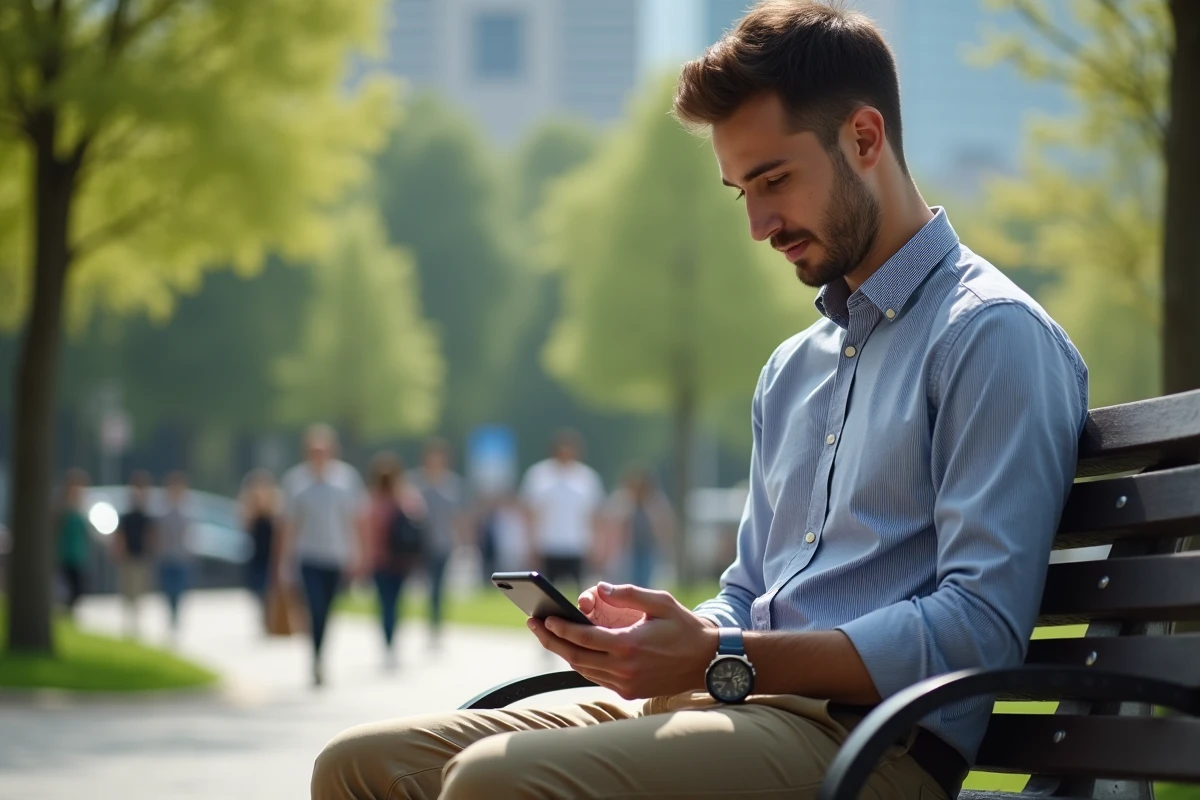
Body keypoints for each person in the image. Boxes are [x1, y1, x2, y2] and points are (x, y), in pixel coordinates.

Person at [311, 4, 1089, 798]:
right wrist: (668, 635)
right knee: (358, 765)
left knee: (490, 782)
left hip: (870, 746)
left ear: (864, 138)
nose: (757, 224)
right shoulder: (794, 369)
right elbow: (749, 594)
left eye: (774, 180)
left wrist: (724, 656)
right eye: (740, 191)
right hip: (729, 705)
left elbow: (979, 627)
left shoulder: (990, 337)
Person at [280, 424, 367, 687]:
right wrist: (284, 563)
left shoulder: (346, 479)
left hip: (336, 556)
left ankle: (320, 651)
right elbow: (289, 525)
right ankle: (315, 656)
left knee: (327, 610)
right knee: (314, 606)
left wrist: (359, 555)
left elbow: (355, 520)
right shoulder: (296, 482)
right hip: (308, 556)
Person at [517, 429, 604, 593]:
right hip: (548, 544)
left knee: (582, 593)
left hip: (577, 544)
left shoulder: (587, 477)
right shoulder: (539, 475)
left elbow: (594, 514)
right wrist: (530, 544)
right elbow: (530, 513)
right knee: (547, 592)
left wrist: (597, 544)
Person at [366, 452, 427, 669]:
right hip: (387, 560)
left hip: (394, 560)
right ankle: (389, 641)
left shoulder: (395, 497)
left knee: (389, 604)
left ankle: (390, 641)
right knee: (389, 604)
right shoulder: (392, 497)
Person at [405, 438, 466, 648]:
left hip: (443, 543)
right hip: (418, 544)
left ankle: (435, 626)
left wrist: (462, 541)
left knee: (438, 587)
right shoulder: (414, 482)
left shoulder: (452, 484)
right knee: (420, 586)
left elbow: (458, 516)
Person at [604, 466, 676, 588]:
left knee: (645, 579)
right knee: (626, 578)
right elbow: (613, 524)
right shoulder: (624, 501)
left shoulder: (654, 502)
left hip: (648, 548)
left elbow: (664, 525)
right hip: (628, 550)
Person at [113, 470, 157, 639]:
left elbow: (151, 537)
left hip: (141, 558)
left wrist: (151, 553)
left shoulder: (147, 516)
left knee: (139, 593)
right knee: (127, 592)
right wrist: (119, 553)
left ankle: (136, 624)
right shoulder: (127, 516)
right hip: (129, 557)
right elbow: (120, 536)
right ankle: (128, 625)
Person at [241, 468, 283, 632]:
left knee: (269, 590)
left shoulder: (276, 508)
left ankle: (269, 619)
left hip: (272, 556)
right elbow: (245, 525)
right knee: (258, 589)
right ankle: (266, 618)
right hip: (256, 556)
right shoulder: (250, 508)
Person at [156, 471, 194, 640]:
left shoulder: (188, 513)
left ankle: (176, 616)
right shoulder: (162, 513)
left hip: (181, 558)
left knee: (179, 591)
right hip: (167, 557)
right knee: (167, 590)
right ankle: (171, 615)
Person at [56, 468, 92, 618]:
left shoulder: (81, 507)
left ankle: (68, 613)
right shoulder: (62, 508)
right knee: (69, 588)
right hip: (65, 554)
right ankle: (66, 613)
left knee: (79, 589)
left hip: (79, 554)